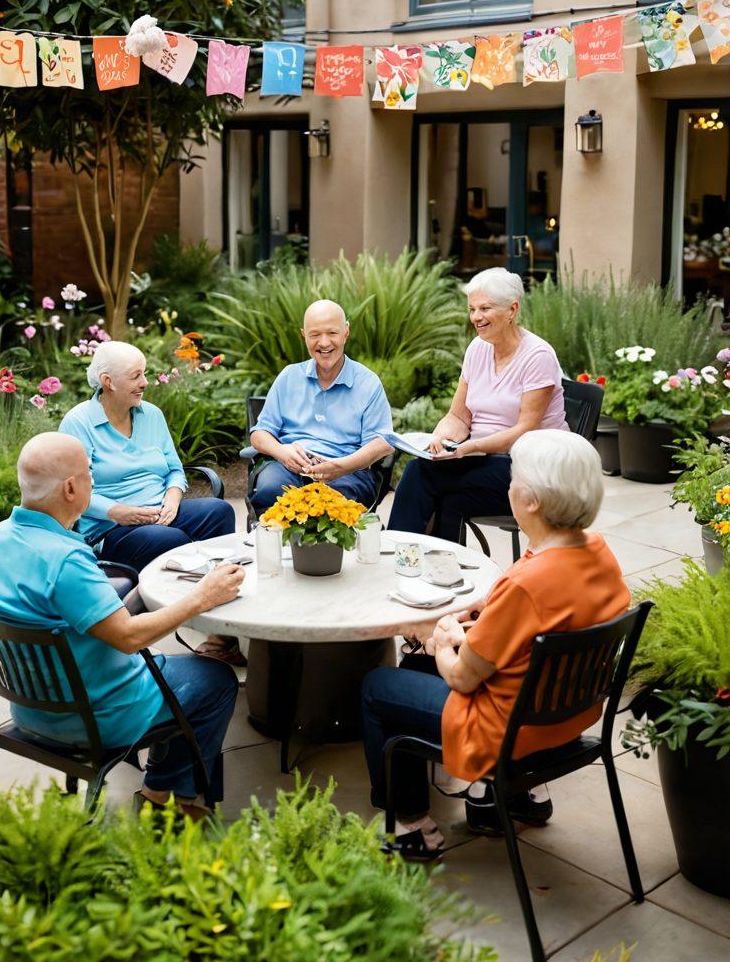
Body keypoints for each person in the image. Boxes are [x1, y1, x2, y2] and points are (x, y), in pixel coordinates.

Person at [361, 430, 630, 859]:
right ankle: (508, 798)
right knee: (414, 675)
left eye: (513, 478)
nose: (507, 485)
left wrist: (442, 640)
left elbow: (463, 678)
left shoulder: (525, 585)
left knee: (380, 686)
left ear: (531, 501)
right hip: (568, 719)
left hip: (509, 734)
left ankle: (410, 825)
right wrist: (486, 612)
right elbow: (547, 613)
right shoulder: (598, 551)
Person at [0, 432, 246, 814]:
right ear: (70, 488)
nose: (93, 480)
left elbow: (87, 612)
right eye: (88, 472)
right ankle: (167, 800)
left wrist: (146, 589)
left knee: (184, 674)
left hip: (32, 708)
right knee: (214, 679)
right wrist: (203, 597)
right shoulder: (65, 560)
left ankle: (165, 794)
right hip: (91, 715)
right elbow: (129, 638)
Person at [387, 267, 568, 542]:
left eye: (485, 308)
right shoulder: (478, 348)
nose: (476, 317)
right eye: (472, 309)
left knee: (419, 475)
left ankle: (400, 555)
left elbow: (525, 431)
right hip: (484, 462)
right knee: (443, 492)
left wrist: (468, 448)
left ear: (512, 310)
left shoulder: (537, 356)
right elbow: (458, 417)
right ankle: (439, 569)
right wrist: (441, 439)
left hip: (531, 467)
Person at [59, 341, 235, 574]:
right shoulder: (78, 423)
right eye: (135, 376)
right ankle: (175, 601)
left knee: (219, 512)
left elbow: (174, 470)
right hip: (112, 528)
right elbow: (72, 494)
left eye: (144, 374)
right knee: (169, 539)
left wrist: (172, 499)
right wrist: (120, 512)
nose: (144, 382)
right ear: (107, 381)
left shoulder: (151, 414)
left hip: (161, 513)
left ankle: (216, 584)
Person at [250, 299, 393, 514]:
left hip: (347, 472)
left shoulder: (368, 383)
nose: (324, 343)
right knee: (270, 491)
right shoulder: (289, 376)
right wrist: (281, 452)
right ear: (304, 335)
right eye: (315, 334)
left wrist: (341, 466)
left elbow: (383, 444)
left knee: (330, 505)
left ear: (346, 332)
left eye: (332, 333)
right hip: (289, 467)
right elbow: (259, 435)